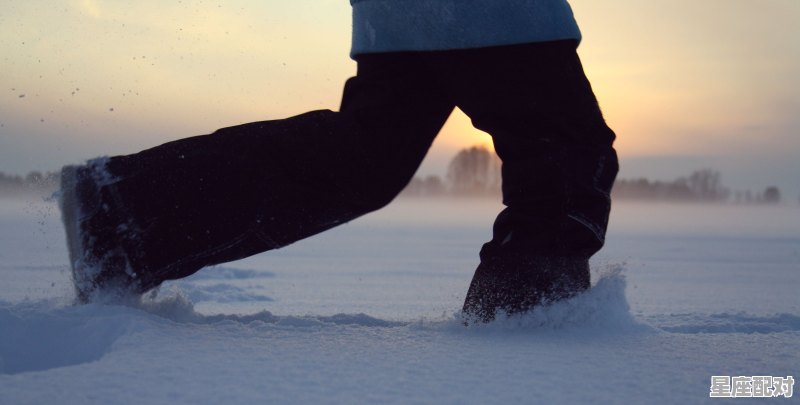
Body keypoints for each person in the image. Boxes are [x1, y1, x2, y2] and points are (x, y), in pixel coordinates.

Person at [59, 0, 618, 323]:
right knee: (564, 153)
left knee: (366, 156)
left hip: (401, 12)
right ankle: (523, 328)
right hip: (497, 12)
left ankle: (125, 212)